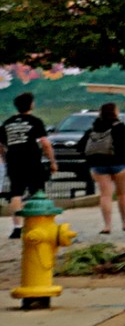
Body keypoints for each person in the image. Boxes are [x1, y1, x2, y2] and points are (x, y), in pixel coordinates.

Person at [0, 92, 58, 238]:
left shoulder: (7, 123)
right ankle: (37, 223)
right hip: (32, 160)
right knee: (37, 192)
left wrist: (5, 158)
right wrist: (52, 161)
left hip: (14, 160)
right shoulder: (35, 121)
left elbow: (1, 145)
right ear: (31, 104)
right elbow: (45, 143)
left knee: (16, 193)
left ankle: (17, 227)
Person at [76, 102, 125, 235]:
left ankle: (107, 226)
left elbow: (81, 146)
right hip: (119, 164)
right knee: (122, 194)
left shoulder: (94, 128)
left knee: (105, 195)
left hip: (98, 165)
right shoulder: (119, 126)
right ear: (114, 112)